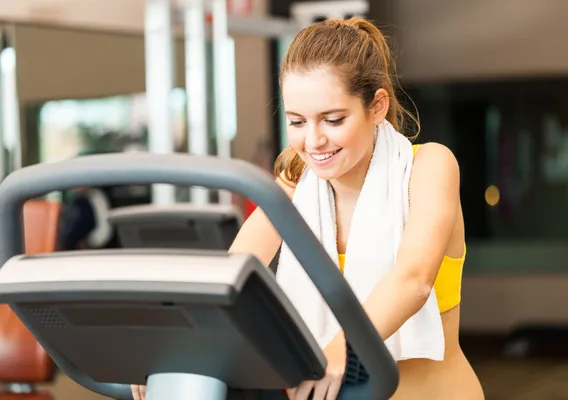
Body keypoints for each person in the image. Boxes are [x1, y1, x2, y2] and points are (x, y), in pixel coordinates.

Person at [131, 17, 484, 400]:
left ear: (377, 106)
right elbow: (228, 277)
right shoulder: (295, 185)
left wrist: (342, 349)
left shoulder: (428, 166)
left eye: (333, 120)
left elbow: (412, 281)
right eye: (297, 121)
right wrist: (168, 350)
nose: (313, 140)